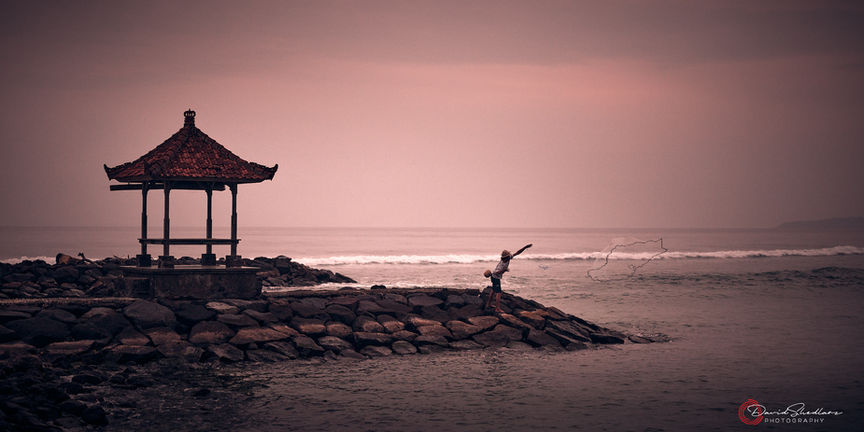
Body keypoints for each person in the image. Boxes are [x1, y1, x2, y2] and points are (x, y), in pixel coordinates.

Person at [484, 243, 532, 312]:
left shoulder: (508, 258)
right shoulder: (502, 264)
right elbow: (497, 272)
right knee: (499, 293)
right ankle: (497, 308)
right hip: (495, 278)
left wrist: (525, 247)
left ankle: (488, 304)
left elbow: (517, 252)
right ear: (505, 257)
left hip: (494, 277)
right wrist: (505, 270)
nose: (509, 257)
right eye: (507, 256)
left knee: (493, 290)